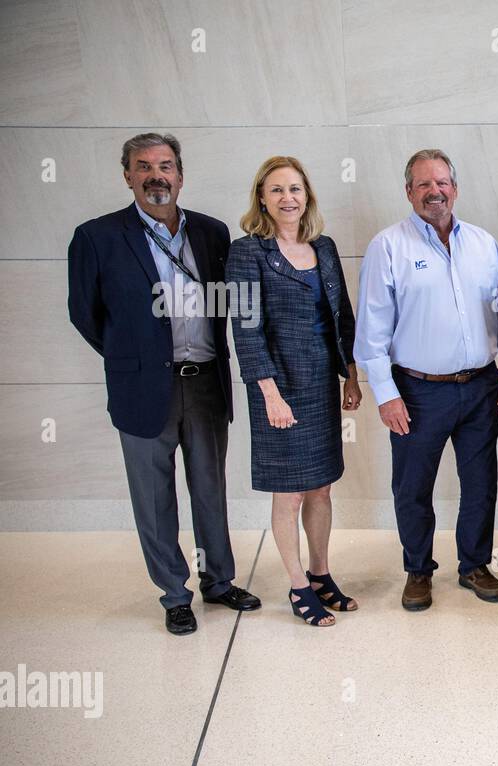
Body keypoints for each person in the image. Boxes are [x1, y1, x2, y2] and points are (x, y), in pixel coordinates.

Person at [68, 132, 261, 635]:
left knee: (210, 488)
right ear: (128, 175)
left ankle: (219, 581)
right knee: (154, 497)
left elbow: (229, 304)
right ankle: (175, 594)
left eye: (166, 166)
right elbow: (85, 314)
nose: (157, 175)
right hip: (143, 389)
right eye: (144, 166)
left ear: (180, 174)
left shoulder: (212, 233)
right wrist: (133, 360)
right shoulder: (97, 237)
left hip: (206, 384)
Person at [354, 149, 498, 612]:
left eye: (443, 182)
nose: (435, 191)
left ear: (455, 187)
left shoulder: (484, 244)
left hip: (481, 386)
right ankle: (418, 570)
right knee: (413, 487)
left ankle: (474, 565)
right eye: (424, 184)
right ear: (409, 192)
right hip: (417, 391)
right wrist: (386, 395)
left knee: (480, 481)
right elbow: (370, 332)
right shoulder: (388, 246)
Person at [227, 157, 361, 627]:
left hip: (321, 383)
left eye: (296, 189)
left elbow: (342, 315)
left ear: (308, 196)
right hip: (277, 388)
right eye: (277, 190)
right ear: (261, 197)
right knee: (289, 494)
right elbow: (245, 326)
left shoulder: (324, 247)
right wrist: (268, 392)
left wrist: (351, 375)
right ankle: (298, 586)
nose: (288, 198)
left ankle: (320, 573)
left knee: (321, 486)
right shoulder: (247, 252)